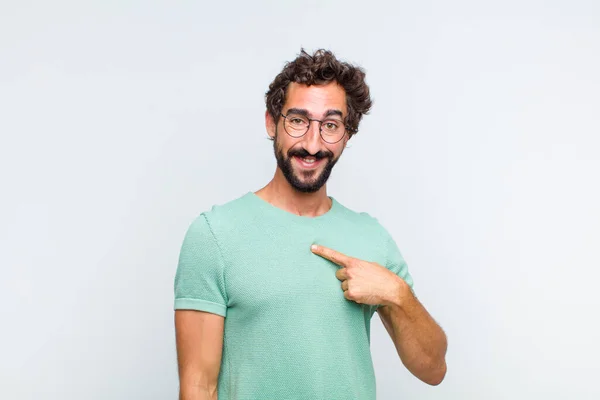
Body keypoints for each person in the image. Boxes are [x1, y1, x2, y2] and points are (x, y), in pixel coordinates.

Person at [174, 48, 447, 400]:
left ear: (348, 135)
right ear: (272, 122)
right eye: (298, 120)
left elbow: (433, 369)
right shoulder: (214, 234)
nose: (313, 144)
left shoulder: (372, 238)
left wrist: (397, 293)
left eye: (331, 125)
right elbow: (199, 386)